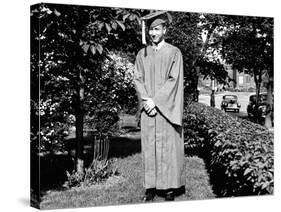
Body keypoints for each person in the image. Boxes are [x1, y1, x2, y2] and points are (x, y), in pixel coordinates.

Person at [133, 11, 185, 202]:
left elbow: (174, 80)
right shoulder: (142, 54)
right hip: (149, 109)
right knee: (150, 147)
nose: (153, 33)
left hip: (165, 110)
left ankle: (169, 188)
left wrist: (156, 101)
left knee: (168, 147)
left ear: (165, 29)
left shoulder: (174, 52)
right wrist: (146, 100)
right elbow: (137, 78)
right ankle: (151, 187)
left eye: (157, 29)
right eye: (151, 30)